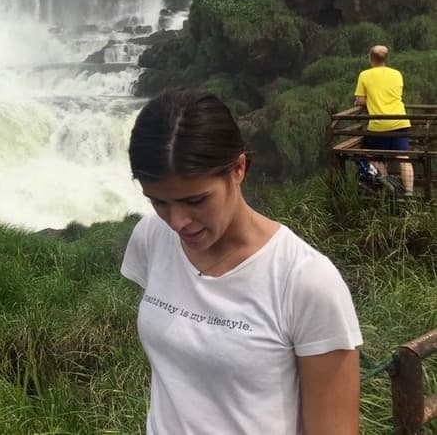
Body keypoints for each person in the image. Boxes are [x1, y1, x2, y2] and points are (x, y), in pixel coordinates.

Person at [121, 88, 362, 435]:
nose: (177, 222)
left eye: (196, 200)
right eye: (158, 201)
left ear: (238, 168)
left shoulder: (305, 281)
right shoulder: (152, 237)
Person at [354, 45, 413, 196]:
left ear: (370, 58)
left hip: (379, 125)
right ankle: (409, 193)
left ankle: (389, 187)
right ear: (385, 58)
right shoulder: (397, 74)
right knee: (403, 157)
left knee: (374, 156)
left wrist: (364, 101)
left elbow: (360, 100)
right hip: (400, 122)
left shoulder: (365, 75)